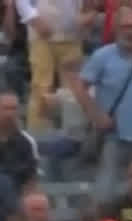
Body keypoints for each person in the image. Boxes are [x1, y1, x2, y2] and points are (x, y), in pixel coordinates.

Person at [73, 6, 132, 205]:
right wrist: (96, 115)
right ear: (115, 28)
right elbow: (79, 86)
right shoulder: (102, 56)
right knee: (105, 195)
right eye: (126, 26)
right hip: (113, 137)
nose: (131, 31)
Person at [17, 0, 89, 132]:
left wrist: (88, 14)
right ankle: (38, 134)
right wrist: (33, 19)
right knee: (41, 88)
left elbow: (91, 7)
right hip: (41, 34)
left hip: (72, 35)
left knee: (72, 90)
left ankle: (73, 133)